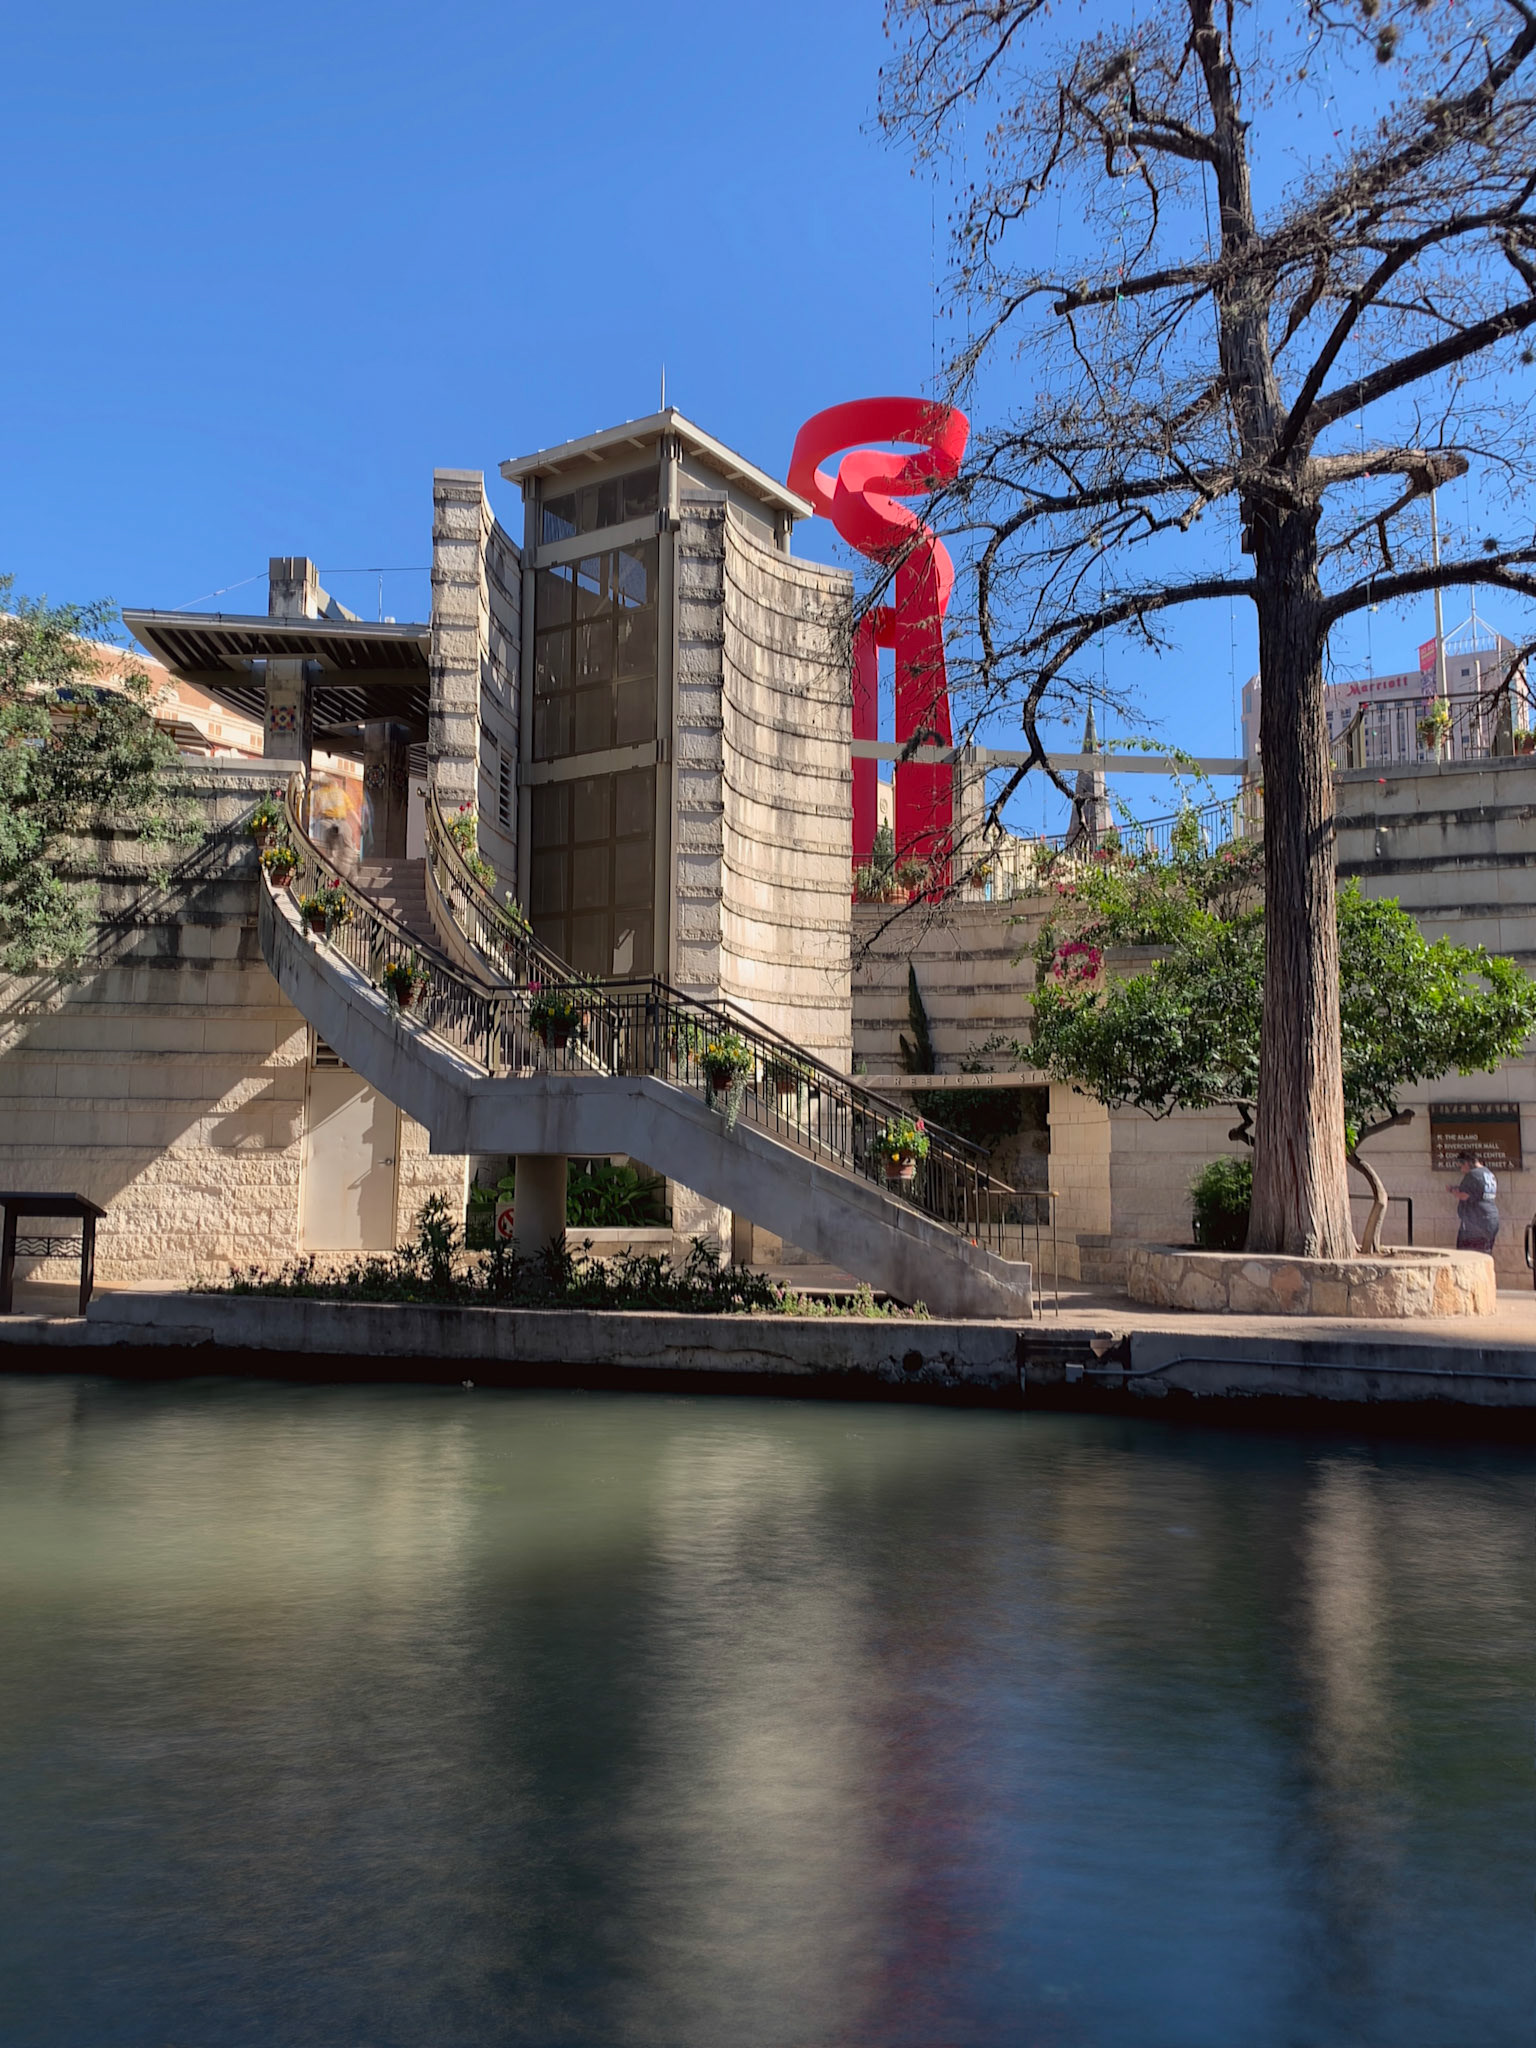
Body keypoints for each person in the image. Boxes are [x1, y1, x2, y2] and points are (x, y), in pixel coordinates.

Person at [1449, 1149, 1500, 1253]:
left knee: (1467, 1254)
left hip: (1477, 1221)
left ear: (1467, 1163)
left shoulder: (1472, 1174)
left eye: (1460, 1166)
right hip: (1491, 1219)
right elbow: (1477, 1191)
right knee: (1485, 1253)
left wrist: (1452, 1190)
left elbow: (1464, 1195)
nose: (1461, 1170)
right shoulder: (1488, 1173)